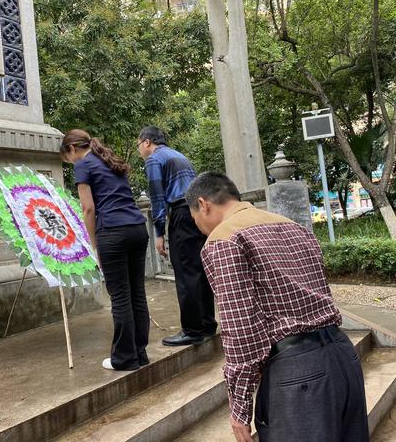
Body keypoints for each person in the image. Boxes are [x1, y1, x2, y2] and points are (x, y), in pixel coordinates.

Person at [185, 172, 369, 442]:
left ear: (203, 204)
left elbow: (241, 333)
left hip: (300, 377)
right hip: (343, 356)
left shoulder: (223, 240)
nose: (199, 227)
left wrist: (239, 410)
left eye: (194, 219)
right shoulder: (293, 226)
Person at [60, 129, 150, 371]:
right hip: (137, 229)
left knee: (120, 296)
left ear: (71, 149)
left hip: (113, 232)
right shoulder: (108, 159)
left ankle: (124, 358)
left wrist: (93, 243)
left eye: (67, 157)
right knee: (136, 294)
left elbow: (88, 209)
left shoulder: (82, 164)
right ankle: (140, 353)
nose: (70, 162)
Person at [137, 126, 217, 346]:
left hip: (181, 214)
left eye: (138, 145)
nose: (140, 151)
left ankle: (192, 330)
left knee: (185, 273)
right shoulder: (178, 155)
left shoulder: (154, 158)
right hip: (195, 213)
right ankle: (208, 324)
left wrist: (159, 233)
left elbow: (157, 196)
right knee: (200, 271)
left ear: (147, 142)